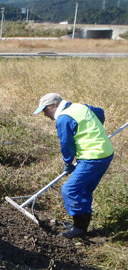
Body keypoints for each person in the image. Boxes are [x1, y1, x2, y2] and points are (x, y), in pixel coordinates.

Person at [34, 93, 114, 238]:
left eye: (45, 110)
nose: (45, 114)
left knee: (69, 190)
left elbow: (66, 143)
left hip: (93, 157)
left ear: (55, 105)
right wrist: (94, 130)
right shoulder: (80, 107)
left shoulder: (64, 119)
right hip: (105, 153)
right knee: (83, 190)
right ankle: (81, 226)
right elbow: (100, 112)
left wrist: (68, 161)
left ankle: (79, 229)